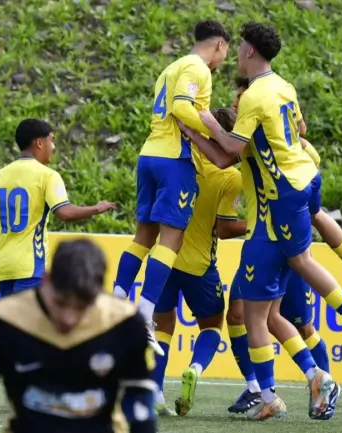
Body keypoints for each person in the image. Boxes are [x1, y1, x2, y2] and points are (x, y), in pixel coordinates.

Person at [191, 21, 342, 420]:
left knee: (282, 285)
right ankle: (310, 378)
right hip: (301, 183)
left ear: (250, 51)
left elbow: (229, 150)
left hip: (279, 203)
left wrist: (203, 122)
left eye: (239, 47)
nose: (236, 53)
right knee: (269, 315)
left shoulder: (255, 96)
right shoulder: (283, 87)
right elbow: (299, 129)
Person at [112, 20, 231, 357]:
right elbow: (182, 108)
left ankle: (119, 300)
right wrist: (209, 131)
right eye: (225, 53)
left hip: (148, 155)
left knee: (143, 236)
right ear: (220, 45)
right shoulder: (199, 68)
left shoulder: (172, 66)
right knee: (172, 238)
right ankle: (144, 316)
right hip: (174, 160)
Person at [0, 118, 116, 376]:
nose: (53, 147)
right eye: (52, 140)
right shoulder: (46, 176)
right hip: (29, 264)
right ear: (39, 142)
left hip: (3, 265)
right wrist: (96, 208)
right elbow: (64, 212)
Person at [0, 239, 157, 433]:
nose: (68, 319)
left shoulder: (126, 323)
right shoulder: (3, 319)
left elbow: (140, 396)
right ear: (46, 278)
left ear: (99, 292)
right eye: (60, 302)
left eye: (81, 307)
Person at [124, 108, 245, 418]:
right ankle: (194, 367)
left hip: (164, 260)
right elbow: (223, 227)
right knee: (212, 325)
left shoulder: (182, 162)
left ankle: (155, 391)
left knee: (161, 326)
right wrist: (254, 224)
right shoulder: (230, 176)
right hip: (200, 265)